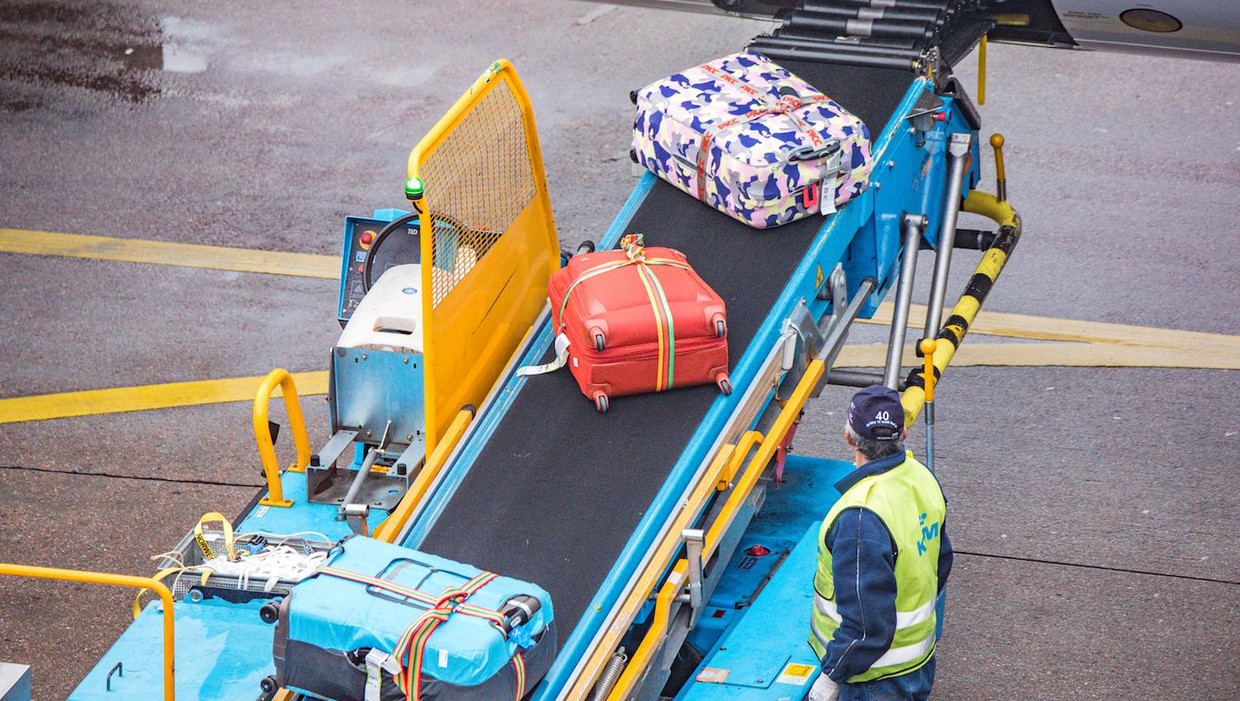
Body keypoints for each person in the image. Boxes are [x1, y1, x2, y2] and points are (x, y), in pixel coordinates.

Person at [807, 385, 953, 701]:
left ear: (849, 437)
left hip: (871, 679)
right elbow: (941, 563)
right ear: (903, 432)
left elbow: (865, 628)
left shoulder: (860, 515)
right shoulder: (922, 478)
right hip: (917, 665)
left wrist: (831, 677)